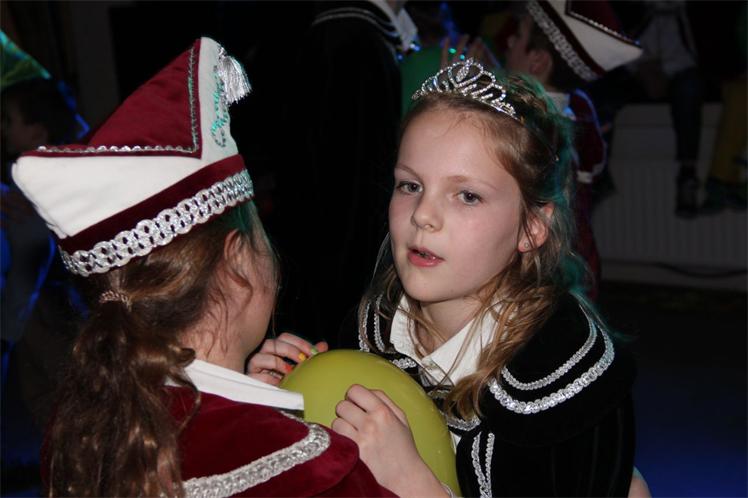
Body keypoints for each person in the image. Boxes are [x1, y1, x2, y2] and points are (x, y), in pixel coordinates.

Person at [12, 37, 394, 497]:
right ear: (236, 261)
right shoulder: (312, 470)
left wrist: (242, 401)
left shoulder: (79, 430)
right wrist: (407, 476)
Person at [252, 59, 638, 496]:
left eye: (467, 195)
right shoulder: (372, 327)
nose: (423, 215)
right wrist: (280, 407)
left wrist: (412, 481)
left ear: (531, 228)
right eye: (410, 185)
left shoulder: (565, 380)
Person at [500, 0, 642, 300]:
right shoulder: (579, 111)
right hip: (577, 260)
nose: (509, 40)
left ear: (538, 62)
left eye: (519, 36)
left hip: (534, 273)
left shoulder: (521, 125)